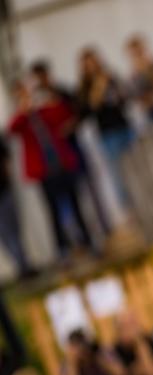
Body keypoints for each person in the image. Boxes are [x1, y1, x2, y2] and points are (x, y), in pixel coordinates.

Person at [7, 80, 93, 259]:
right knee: (53, 211)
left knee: (75, 205)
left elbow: (64, 115)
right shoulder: (22, 119)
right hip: (44, 172)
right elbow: (12, 129)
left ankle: (87, 241)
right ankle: (63, 249)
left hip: (62, 165)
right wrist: (23, 111)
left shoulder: (44, 111)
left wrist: (48, 98)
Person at [30, 59, 111, 237]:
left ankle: (104, 228)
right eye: (37, 77)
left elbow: (80, 113)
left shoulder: (61, 93)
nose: (41, 80)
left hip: (72, 148)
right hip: (53, 157)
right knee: (65, 199)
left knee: (89, 188)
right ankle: (77, 236)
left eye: (43, 75)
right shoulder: (34, 101)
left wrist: (70, 125)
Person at [77, 48, 136, 209]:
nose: (92, 66)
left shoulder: (110, 76)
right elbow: (89, 110)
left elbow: (124, 100)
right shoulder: (85, 86)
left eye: (94, 61)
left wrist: (120, 91)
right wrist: (99, 86)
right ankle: (127, 207)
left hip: (124, 125)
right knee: (117, 173)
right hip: (108, 134)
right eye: (88, 64)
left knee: (135, 165)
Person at [0, 134, 35, 277]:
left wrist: (7, 173)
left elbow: (6, 156)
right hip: (4, 189)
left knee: (14, 229)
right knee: (7, 233)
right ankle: (22, 267)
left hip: (4, 188)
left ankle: (24, 264)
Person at [62, 329, 127, 375]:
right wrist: (73, 364)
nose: (82, 349)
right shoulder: (68, 367)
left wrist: (99, 357)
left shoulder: (102, 353)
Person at [112, 310, 153, 375]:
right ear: (119, 331)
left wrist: (139, 341)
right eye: (127, 326)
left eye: (133, 324)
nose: (132, 330)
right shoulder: (115, 351)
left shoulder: (147, 339)